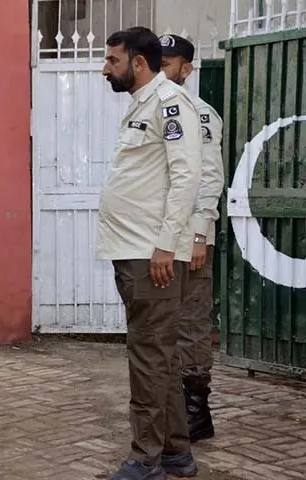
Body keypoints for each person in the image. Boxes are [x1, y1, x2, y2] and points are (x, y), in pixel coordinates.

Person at [98, 27, 203, 480]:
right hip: (136, 251)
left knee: (147, 357)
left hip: (152, 254)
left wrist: (166, 245)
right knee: (161, 354)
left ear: (139, 63)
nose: (106, 68)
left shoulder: (170, 104)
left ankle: (146, 458)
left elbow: (187, 178)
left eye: (113, 61)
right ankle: (177, 451)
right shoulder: (142, 105)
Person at [159, 33, 224, 443]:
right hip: (165, 235)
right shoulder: (157, 109)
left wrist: (200, 234)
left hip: (192, 236)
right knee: (167, 322)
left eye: (170, 63)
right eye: (159, 61)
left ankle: (198, 411)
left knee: (193, 323)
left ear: (187, 68)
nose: (164, 68)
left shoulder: (200, 114)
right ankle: (179, 408)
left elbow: (210, 177)